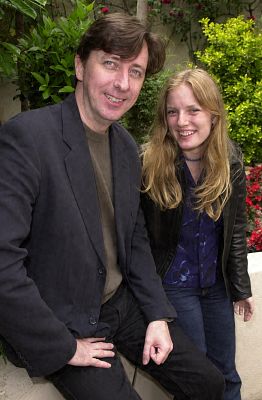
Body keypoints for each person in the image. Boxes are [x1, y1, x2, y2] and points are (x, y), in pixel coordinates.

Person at [0, 15, 225, 400]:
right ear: (79, 66)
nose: (123, 83)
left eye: (135, 71)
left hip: (123, 306)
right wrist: (65, 347)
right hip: (66, 319)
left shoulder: (124, 146)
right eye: (110, 64)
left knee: (208, 383)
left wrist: (157, 314)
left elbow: (133, 239)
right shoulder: (28, 137)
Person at [141, 68, 254, 400]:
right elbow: (140, 241)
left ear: (213, 114)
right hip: (175, 288)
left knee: (227, 375)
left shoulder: (229, 161)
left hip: (216, 288)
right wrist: (153, 306)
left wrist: (240, 287)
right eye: (173, 111)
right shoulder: (150, 164)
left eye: (193, 110)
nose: (182, 121)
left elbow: (234, 230)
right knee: (198, 380)